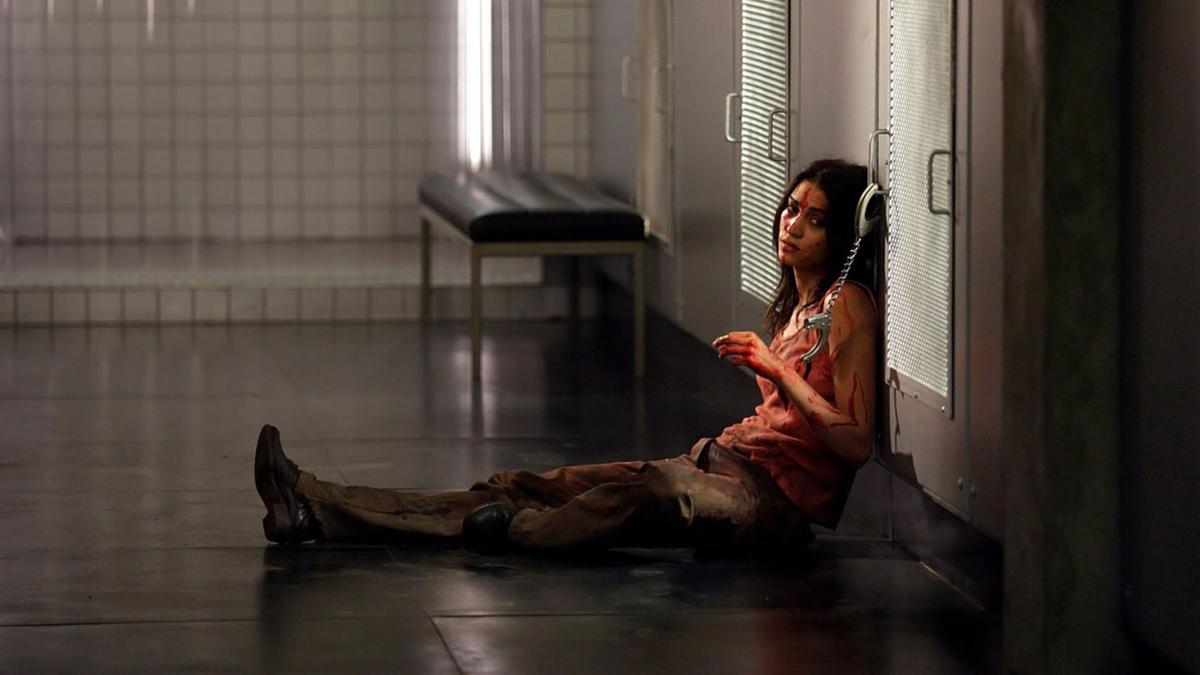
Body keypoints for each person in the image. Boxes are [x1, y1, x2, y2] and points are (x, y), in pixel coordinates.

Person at [254, 158, 878, 552]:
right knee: (522, 485)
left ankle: (518, 531)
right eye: (792, 208)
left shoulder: (847, 304)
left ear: (842, 236)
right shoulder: (798, 305)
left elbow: (855, 442)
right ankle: (314, 505)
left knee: (654, 491)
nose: (793, 225)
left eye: (815, 219)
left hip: (768, 504)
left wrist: (775, 369)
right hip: (718, 462)